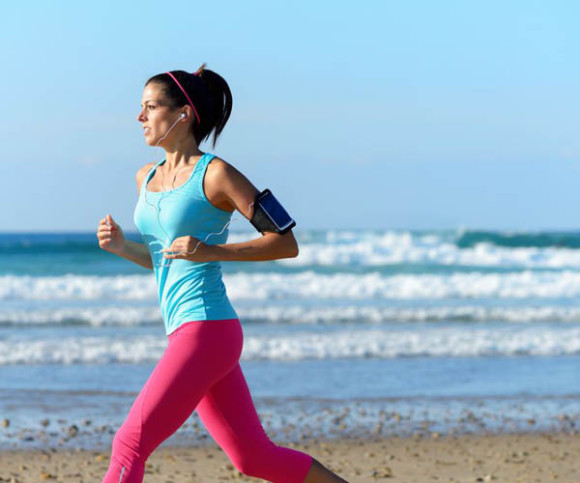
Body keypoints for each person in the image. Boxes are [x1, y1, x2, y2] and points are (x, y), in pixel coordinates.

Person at [97, 64, 349, 483]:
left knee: (129, 444)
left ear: (183, 114)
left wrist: (212, 250)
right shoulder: (146, 177)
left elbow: (285, 242)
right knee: (254, 458)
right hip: (187, 331)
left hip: (207, 329)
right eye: (140, 107)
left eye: (150, 107)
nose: (139, 117)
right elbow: (168, 260)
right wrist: (122, 247)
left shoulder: (216, 174)